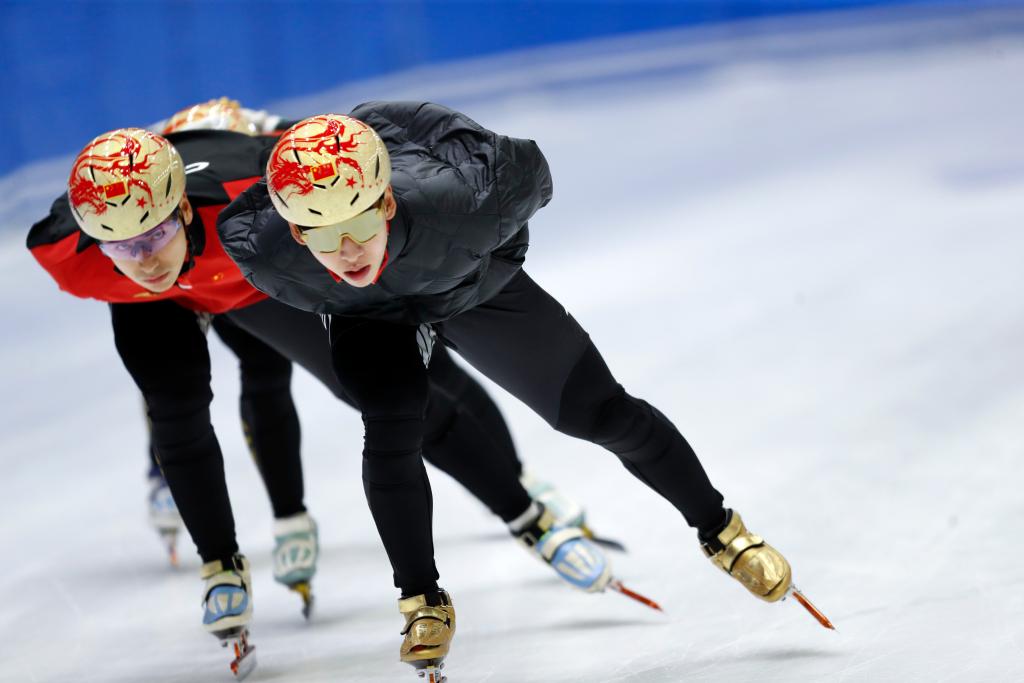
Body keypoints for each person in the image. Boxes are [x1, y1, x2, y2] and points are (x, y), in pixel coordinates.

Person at [217, 103, 821, 677]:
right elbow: (234, 215)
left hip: (469, 280)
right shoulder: (267, 254)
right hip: (370, 314)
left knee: (598, 413)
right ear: (295, 232)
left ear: (388, 202)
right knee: (392, 425)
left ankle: (722, 531)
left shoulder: (467, 205)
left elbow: (527, 167)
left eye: (358, 224)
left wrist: (488, 262)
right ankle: (422, 600)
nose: (347, 251)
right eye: (322, 235)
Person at [28, 123, 618, 679]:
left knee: (389, 393)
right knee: (173, 407)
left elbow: (333, 158)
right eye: (120, 246)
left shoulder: (251, 199)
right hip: (153, 304)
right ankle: (220, 564)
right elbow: (94, 233)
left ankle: (525, 515)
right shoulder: (67, 253)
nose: (145, 259)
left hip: (245, 281)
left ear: (182, 209)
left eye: (155, 235)